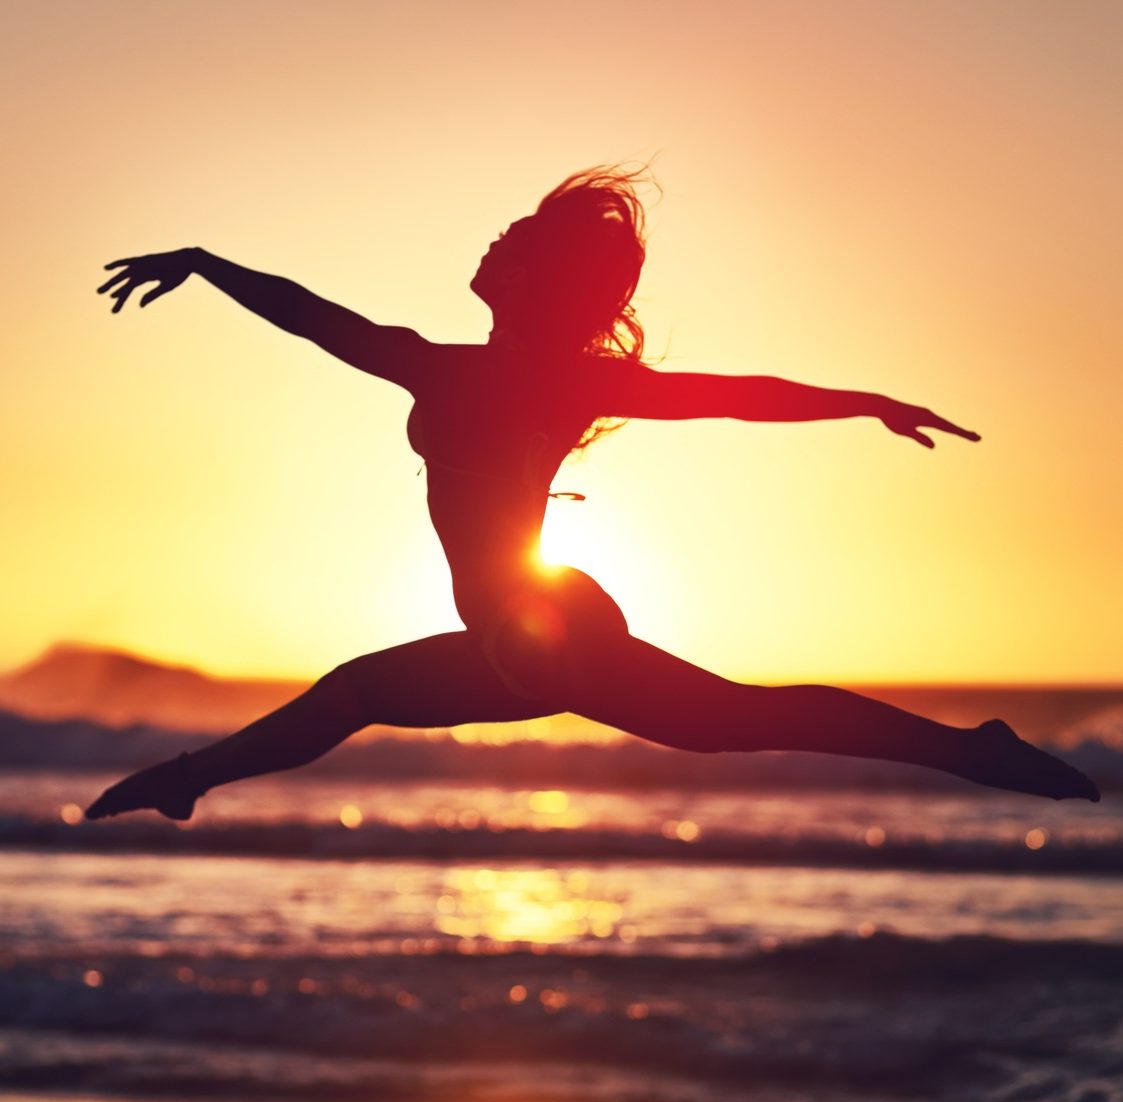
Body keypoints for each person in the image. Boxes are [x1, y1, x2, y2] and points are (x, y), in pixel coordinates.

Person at [86, 167, 1099, 821]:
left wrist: (860, 401)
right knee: (725, 720)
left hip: (534, 619)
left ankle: (186, 779)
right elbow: (314, 317)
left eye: (513, 242)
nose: (491, 245)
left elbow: (736, 398)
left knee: (360, 694)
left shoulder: (477, 375)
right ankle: (969, 753)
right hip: (530, 614)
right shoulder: (495, 373)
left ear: (535, 281)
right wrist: (208, 264)